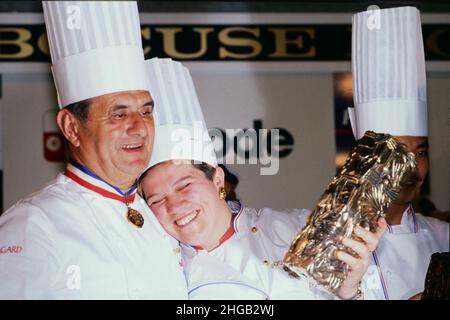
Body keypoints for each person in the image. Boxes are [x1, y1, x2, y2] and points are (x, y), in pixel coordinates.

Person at [138, 57, 387, 300]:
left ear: (217, 181)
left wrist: (349, 292)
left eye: (184, 185)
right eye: (157, 200)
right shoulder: (161, 273)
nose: (174, 205)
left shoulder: (297, 229)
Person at [0, 2, 187, 299]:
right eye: (119, 114)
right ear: (71, 127)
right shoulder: (34, 223)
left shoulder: (160, 217)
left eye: (146, 112)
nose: (139, 127)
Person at [348, 6, 449, 300]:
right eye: (399, 152)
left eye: (421, 152)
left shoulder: (444, 237)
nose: (413, 168)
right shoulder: (330, 239)